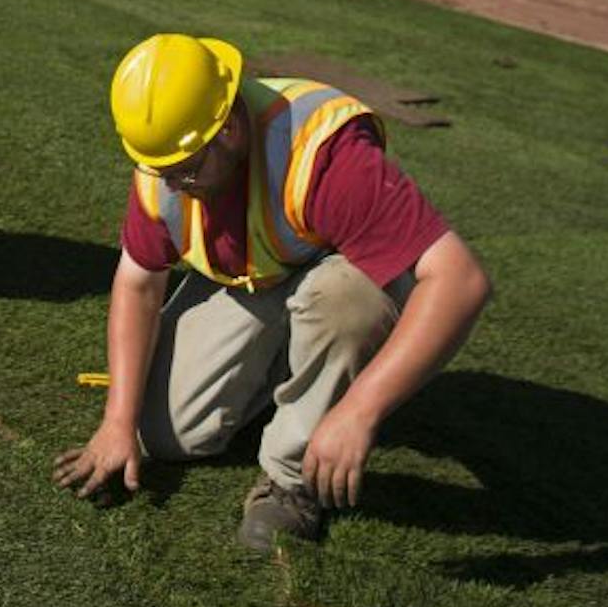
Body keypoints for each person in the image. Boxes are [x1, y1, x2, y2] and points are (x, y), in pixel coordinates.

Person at [53, 35, 492, 552]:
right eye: (162, 170)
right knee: (167, 434)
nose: (172, 185)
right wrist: (116, 421)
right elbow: (137, 283)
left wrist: (359, 412)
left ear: (231, 128)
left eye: (187, 169)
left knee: (344, 303)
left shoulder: (327, 158)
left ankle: (290, 483)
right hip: (255, 275)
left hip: (337, 275)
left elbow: (461, 281)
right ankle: (289, 368)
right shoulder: (168, 161)